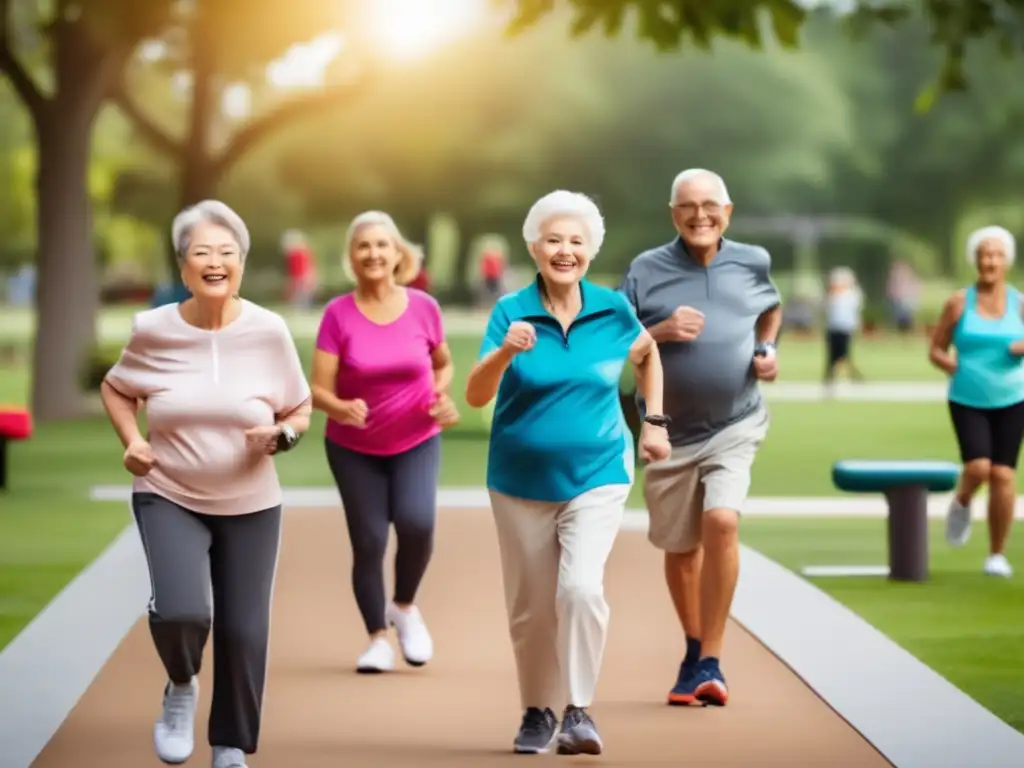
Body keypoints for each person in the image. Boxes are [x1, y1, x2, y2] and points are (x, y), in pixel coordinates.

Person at [99, 200, 312, 768]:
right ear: (183, 265)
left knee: (244, 631)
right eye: (202, 253)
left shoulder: (269, 331)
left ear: (241, 262)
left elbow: (299, 407)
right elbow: (117, 388)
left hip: (252, 502)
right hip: (169, 493)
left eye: (226, 252)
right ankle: (180, 684)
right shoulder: (153, 328)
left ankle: (229, 744)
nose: (215, 262)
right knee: (182, 613)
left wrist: (282, 437)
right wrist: (133, 441)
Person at [465, 190, 671, 756]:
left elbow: (649, 354)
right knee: (531, 606)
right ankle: (537, 709)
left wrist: (653, 421)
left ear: (590, 250)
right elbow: (476, 393)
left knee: (580, 587)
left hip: (599, 470)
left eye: (576, 241)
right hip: (517, 480)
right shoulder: (510, 311)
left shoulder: (613, 310)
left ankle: (578, 710)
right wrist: (504, 352)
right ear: (534, 247)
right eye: (553, 240)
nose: (564, 251)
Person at [619, 168, 781, 707]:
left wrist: (767, 349)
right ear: (673, 214)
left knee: (722, 520)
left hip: (735, 423)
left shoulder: (752, 261)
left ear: (727, 212)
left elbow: (770, 309)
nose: (700, 215)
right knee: (681, 549)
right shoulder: (646, 269)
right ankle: (693, 652)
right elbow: (612, 340)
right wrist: (660, 331)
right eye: (688, 206)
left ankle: (712, 657)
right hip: (667, 432)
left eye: (710, 205)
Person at [310, 211, 460, 674]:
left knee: (417, 524)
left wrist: (441, 394)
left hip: (416, 437)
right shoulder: (338, 314)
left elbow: (442, 364)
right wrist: (339, 408)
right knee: (370, 540)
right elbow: (317, 388)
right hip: (354, 448)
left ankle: (405, 606)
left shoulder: (423, 308)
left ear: (398, 254)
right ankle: (377, 638)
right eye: (363, 247)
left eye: (382, 245)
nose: (373, 253)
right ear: (352, 259)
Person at [928, 225, 1023, 578]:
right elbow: (935, 349)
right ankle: (963, 501)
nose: (990, 261)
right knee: (979, 468)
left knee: (1003, 474)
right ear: (975, 260)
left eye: (997, 255)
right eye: (984, 254)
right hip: (967, 397)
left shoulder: (1020, 303)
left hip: (1013, 398)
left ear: (1007, 261)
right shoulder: (958, 302)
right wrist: (951, 365)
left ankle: (996, 554)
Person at [823, 266, 865, 389]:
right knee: (832, 356)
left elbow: (855, 312)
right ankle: (830, 378)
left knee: (844, 355)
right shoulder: (832, 296)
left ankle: (853, 376)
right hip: (833, 328)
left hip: (845, 329)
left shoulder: (852, 295)